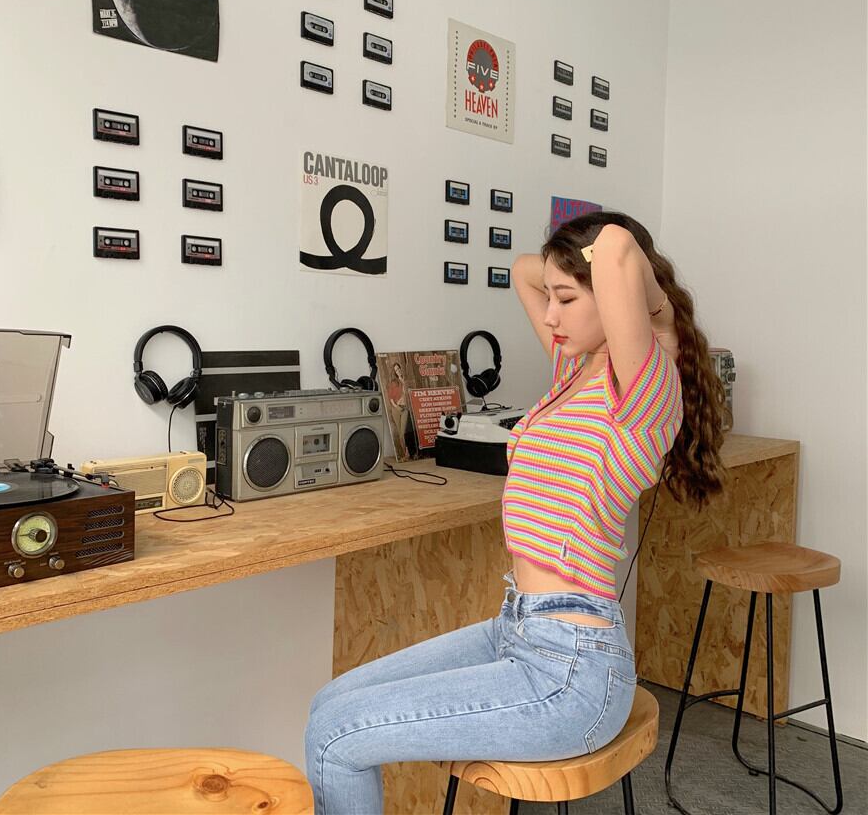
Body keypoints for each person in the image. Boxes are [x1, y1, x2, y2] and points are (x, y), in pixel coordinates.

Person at [305, 212, 726, 814]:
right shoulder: (574, 371)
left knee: (334, 737)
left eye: (567, 299)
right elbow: (523, 270)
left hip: (572, 670)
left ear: (617, 297)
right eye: (551, 299)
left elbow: (615, 246)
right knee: (328, 705)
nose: (550, 314)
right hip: (517, 630)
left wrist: (653, 307)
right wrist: (568, 276)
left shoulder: (644, 388)